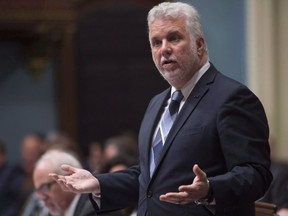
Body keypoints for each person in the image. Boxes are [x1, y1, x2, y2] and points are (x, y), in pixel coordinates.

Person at [50, 2, 272, 216]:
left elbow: (256, 174)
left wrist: (210, 189)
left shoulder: (232, 97)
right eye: (156, 42)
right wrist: (98, 182)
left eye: (174, 38)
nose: (164, 49)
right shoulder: (157, 103)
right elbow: (149, 180)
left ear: (200, 45)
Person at [32, 149, 95, 216]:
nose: (42, 198)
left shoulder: (93, 208)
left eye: (44, 188)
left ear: (70, 179)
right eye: (39, 191)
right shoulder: (46, 213)